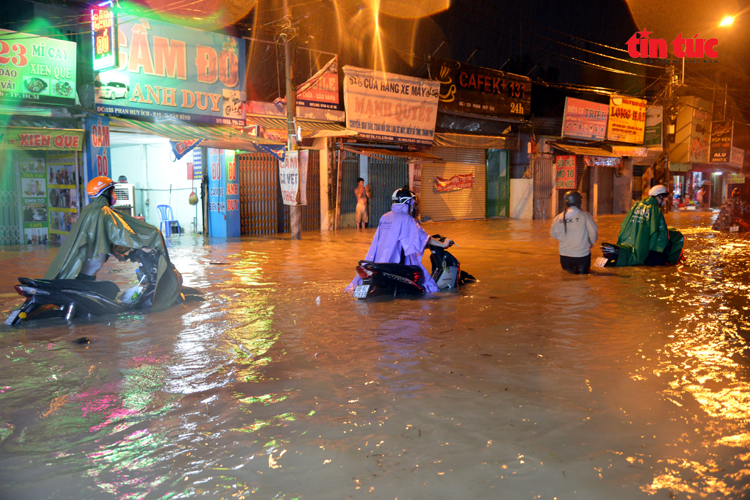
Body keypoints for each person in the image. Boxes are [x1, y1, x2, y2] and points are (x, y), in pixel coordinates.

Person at [43, 176, 183, 312]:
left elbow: (104, 238)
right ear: (105, 193)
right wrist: (145, 245)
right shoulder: (104, 213)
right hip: (85, 277)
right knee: (111, 290)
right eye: (112, 191)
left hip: (78, 275)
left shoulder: (89, 211)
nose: (114, 194)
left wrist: (119, 253)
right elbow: (124, 234)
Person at [346, 188, 452, 293]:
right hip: (393, 265)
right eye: (412, 202)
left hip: (377, 263)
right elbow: (424, 238)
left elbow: (378, 242)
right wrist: (443, 244)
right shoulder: (407, 219)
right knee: (428, 286)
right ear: (407, 202)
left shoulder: (385, 217)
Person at [613, 184, 681, 266]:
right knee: (663, 266)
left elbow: (625, 224)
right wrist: (659, 247)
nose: (665, 200)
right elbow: (661, 232)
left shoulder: (637, 205)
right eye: (664, 197)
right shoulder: (655, 209)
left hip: (629, 243)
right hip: (646, 248)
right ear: (659, 196)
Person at [550, 190, 598, 274]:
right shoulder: (585, 215)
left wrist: (566, 241)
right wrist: (590, 243)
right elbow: (593, 232)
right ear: (578, 201)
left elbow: (553, 234)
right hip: (581, 256)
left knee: (567, 282)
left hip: (564, 256)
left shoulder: (558, 218)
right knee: (583, 282)